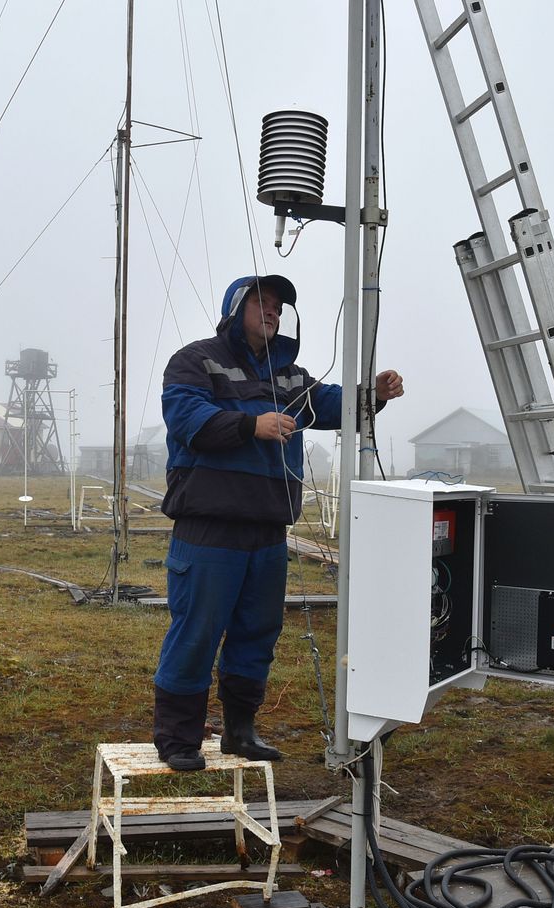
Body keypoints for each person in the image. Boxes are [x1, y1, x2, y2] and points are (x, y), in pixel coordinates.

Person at [152, 274, 404, 771]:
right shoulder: (195, 360)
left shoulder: (289, 374)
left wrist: (371, 394)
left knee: (257, 633)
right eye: (261, 303)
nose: (272, 312)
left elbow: (328, 403)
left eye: (277, 306)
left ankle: (240, 732)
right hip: (209, 529)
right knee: (197, 632)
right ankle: (178, 740)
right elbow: (187, 418)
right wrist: (252, 425)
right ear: (235, 307)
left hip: (267, 531)